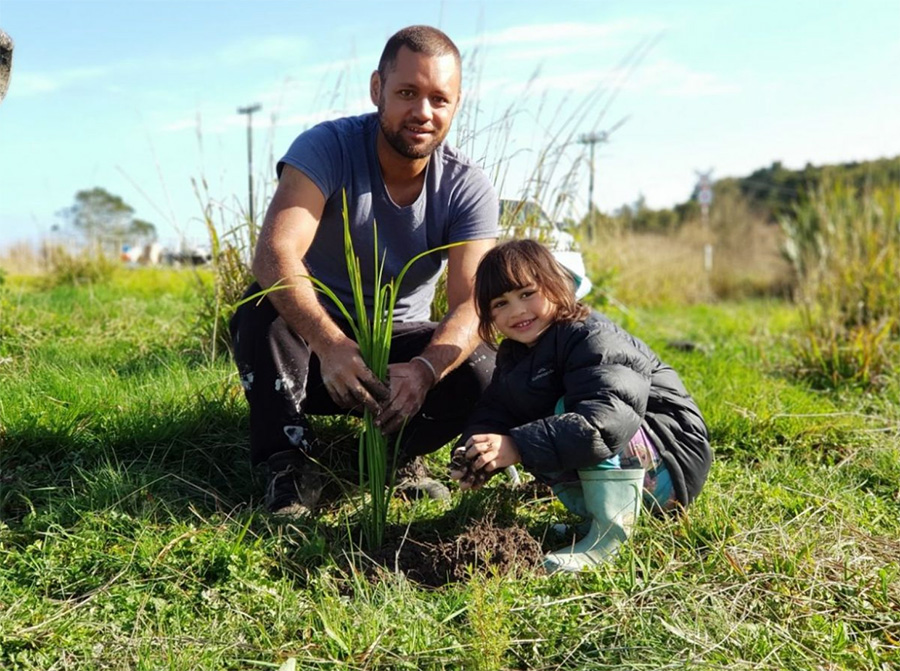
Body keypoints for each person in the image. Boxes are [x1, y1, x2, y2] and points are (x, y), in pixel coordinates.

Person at [230, 26, 499, 517]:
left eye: (439, 99)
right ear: (377, 89)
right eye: (406, 93)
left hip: (397, 359)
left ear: (456, 104)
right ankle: (287, 460)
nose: (422, 112)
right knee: (259, 309)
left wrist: (425, 369)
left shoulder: (467, 186)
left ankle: (397, 456)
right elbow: (273, 254)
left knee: (482, 365)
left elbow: (471, 306)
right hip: (312, 352)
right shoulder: (326, 147)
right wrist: (331, 344)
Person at [449, 240, 712, 572]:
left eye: (527, 294)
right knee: (535, 413)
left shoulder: (592, 336)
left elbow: (606, 421)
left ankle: (610, 536)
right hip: (635, 471)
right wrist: (475, 453)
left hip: (668, 468)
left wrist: (518, 446)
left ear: (557, 285)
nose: (516, 311)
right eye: (501, 303)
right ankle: (596, 519)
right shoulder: (515, 355)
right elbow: (496, 410)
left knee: (567, 410)